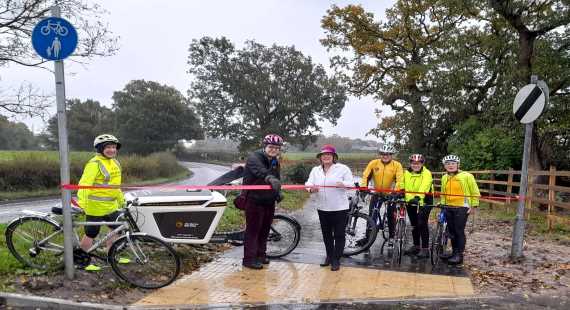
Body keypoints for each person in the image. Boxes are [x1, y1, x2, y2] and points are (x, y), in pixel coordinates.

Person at [77, 134, 126, 271]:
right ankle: (81, 261)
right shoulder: (94, 164)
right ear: (100, 149)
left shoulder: (116, 163)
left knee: (116, 229)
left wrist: (122, 201)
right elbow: (84, 185)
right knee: (91, 233)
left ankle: (111, 256)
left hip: (111, 205)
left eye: (114, 147)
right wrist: (83, 204)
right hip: (94, 206)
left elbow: (116, 185)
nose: (112, 150)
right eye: (108, 147)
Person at [305, 144, 353, 271]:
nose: (326, 157)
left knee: (339, 234)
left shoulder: (343, 168)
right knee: (326, 234)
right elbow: (308, 183)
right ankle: (329, 256)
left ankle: (336, 259)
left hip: (339, 208)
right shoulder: (316, 170)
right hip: (322, 207)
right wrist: (311, 189)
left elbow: (351, 184)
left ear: (333, 157)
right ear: (320, 158)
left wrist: (343, 184)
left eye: (328, 155)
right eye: (323, 155)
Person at [241, 134, 284, 269]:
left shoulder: (275, 161)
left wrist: (278, 192)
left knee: (265, 230)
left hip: (268, 200)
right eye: (271, 147)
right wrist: (269, 178)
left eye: (277, 148)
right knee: (253, 230)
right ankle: (248, 259)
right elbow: (261, 171)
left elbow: (277, 178)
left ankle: (260, 255)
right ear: (265, 146)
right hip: (254, 200)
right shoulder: (254, 157)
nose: (273, 150)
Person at [359, 143, 403, 247]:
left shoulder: (397, 165)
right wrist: (364, 188)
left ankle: (391, 237)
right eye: (383, 154)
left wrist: (396, 192)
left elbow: (400, 179)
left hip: (390, 193)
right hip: (377, 192)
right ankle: (367, 237)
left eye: (387, 154)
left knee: (390, 213)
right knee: (371, 215)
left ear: (391, 155)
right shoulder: (374, 163)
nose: (385, 156)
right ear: (380, 154)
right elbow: (366, 176)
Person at [439, 154, 480, 265]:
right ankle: (454, 252)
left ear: (458, 164)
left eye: (453, 163)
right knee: (451, 231)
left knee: (458, 231)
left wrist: (474, 205)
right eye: (448, 164)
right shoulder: (444, 177)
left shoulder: (466, 176)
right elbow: (443, 193)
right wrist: (442, 204)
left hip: (462, 207)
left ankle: (459, 255)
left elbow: (475, 191)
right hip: (448, 207)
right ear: (444, 166)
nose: (450, 166)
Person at [400, 154, 433, 258]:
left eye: (418, 163)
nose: (416, 165)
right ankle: (416, 246)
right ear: (410, 163)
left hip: (425, 201)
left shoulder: (427, 173)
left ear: (422, 164)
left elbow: (425, 185)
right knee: (414, 224)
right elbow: (401, 183)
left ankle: (425, 249)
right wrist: (400, 191)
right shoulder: (407, 173)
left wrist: (418, 197)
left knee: (422, 223)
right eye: (413, 163)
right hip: (410, 201)